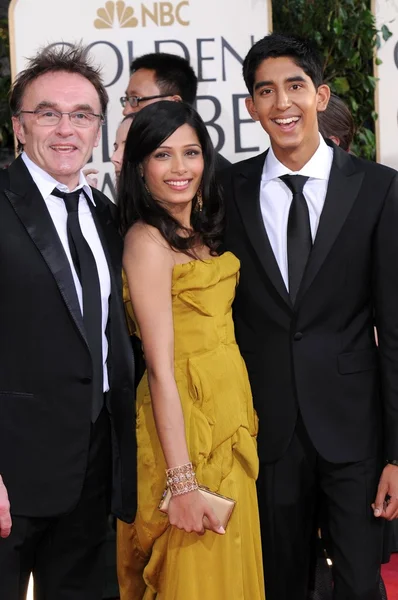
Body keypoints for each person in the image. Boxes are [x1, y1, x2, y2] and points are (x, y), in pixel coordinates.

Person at [221, 33, 398, 600]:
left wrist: (397, 453)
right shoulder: (228, 190)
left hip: (355, 431)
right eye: (266, 91)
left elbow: (393, 330)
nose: (282, 104)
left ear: (320, 95)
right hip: (265, 429)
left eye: (295, 86)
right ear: (250, 107)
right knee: (279, 584)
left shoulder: (377, 189)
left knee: (359, 584)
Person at [0, 44, 136, 600]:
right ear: (18, 127)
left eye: (81, 115)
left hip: (94, 475)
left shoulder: (108, 216)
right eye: (47, 113)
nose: (65, 129)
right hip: (11, 476)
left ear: (98, 127)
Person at [116, 100, 265, 600]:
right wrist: (181, 482)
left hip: (230, 417)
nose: (180, 168)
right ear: (140, 166)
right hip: (184, 427)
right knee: (197, 576)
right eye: (163, 155)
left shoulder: (201, 233)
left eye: (191, 152)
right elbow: (160, 369)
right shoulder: (146, 242)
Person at [120, 52, 231, 171]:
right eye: (127, 99)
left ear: (174, 103)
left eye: (135, 99)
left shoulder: (222, 178)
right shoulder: (137, 161)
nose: (126, 111)